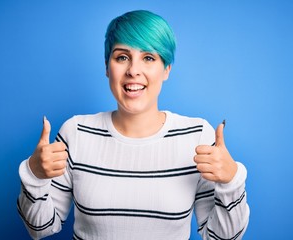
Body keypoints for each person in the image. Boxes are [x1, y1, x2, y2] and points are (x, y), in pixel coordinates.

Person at [17, 10, 250, 240]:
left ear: (166, 69)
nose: (133, 71)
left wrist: (231, 181)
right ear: (108, 68)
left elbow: (222, 238)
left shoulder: (196, 137)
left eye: (148, 58)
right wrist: (34, 174)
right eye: (122, 57)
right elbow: (39, 228)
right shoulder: (76, 132)